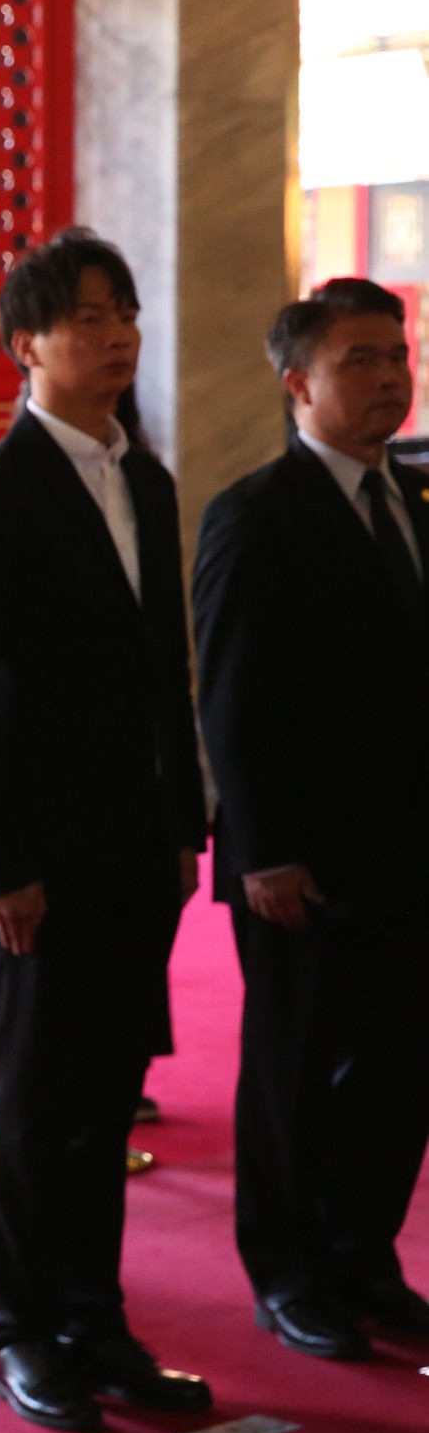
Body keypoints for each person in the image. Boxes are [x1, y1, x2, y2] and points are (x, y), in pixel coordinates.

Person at [0, 227, 210, 1433]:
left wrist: (184, 815)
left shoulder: (144, 476)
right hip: (40, 862)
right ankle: (23, 1329)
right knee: (39, 1107)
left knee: (108, 1095)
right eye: (85, 319)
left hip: (140, 848)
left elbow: (163, 669)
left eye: (123, 315)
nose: (114, 337)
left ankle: (98, 1319)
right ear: (23, 344)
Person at [194, 278, 429, 1360]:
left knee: (399, 1064)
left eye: (398, 355)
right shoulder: (257, 514)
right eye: (360, 360)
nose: (388, 377)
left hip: (410, 850)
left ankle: (363, 1253)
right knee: (296, 1066)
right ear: (298, 383)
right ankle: (287, 1270)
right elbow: (235, 697)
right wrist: (270, 848)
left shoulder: (415, 502)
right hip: (304, 858)